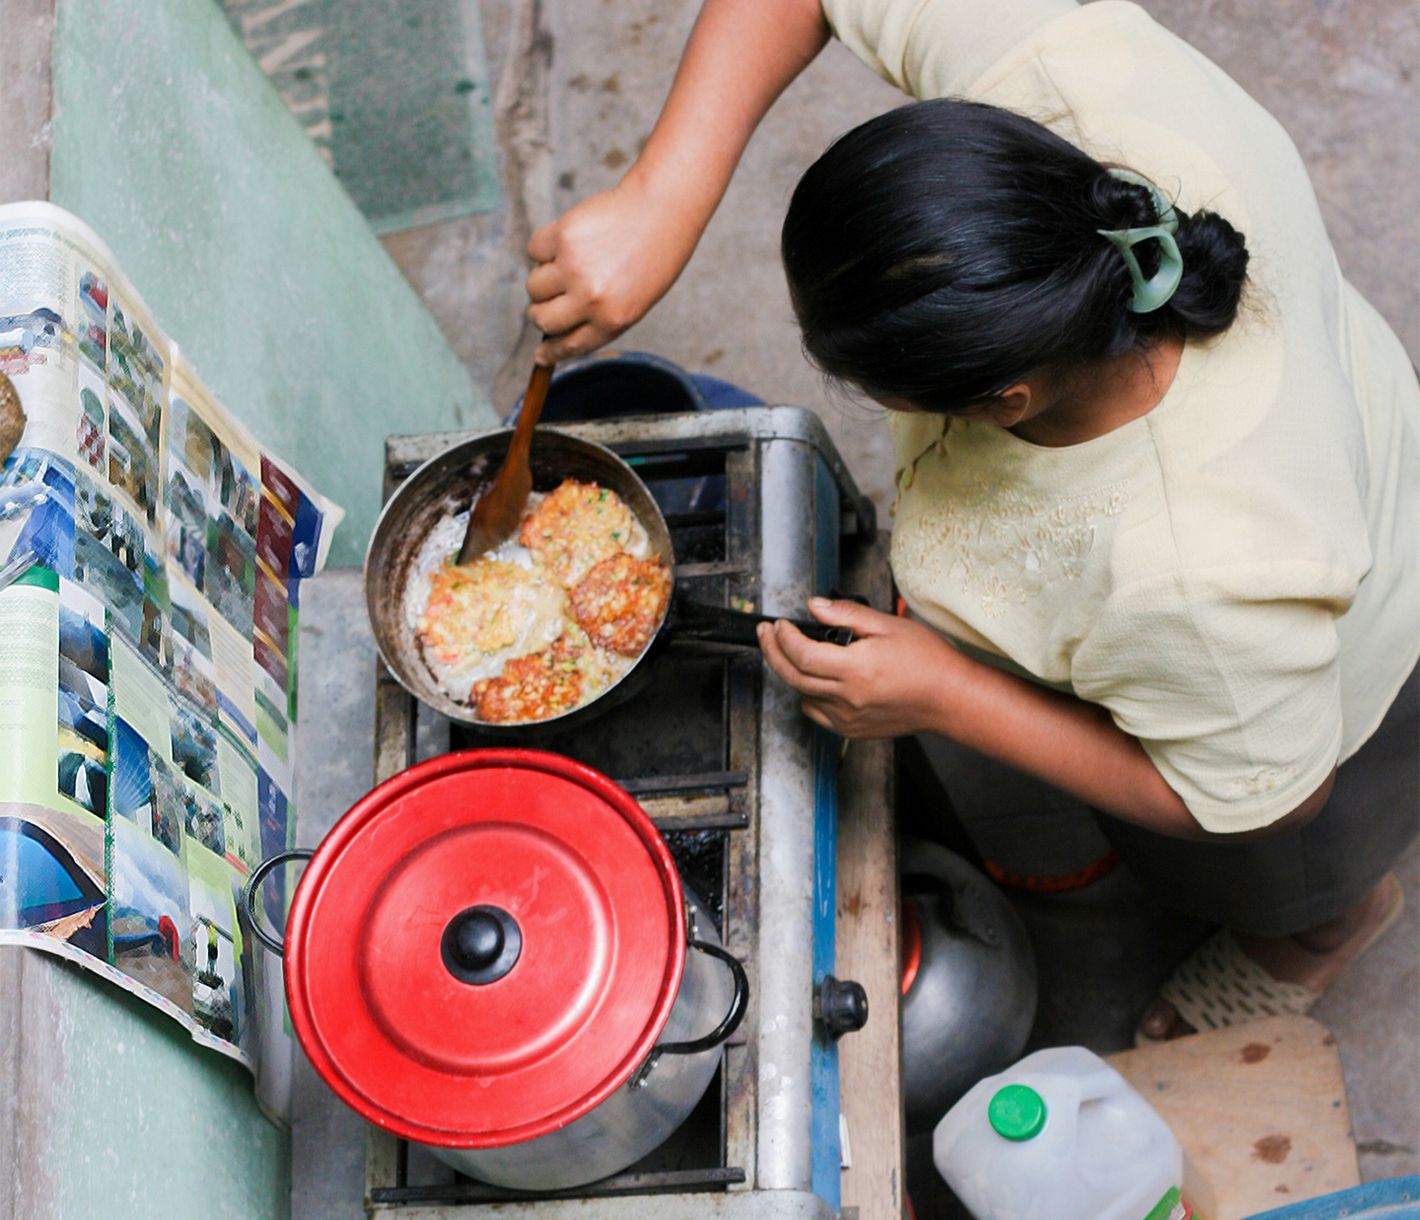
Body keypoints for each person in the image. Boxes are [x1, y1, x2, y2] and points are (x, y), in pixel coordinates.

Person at [524, 0, 1419, 1040]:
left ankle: (1317, 933)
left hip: (1324, 697)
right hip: (1335, 446)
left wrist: (949, 694)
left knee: (1282, 869)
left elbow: (1268, 797)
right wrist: (660, 195)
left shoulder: (1201, 570)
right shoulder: (1072, 107)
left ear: (1004, 405)